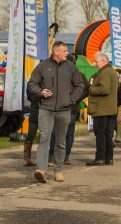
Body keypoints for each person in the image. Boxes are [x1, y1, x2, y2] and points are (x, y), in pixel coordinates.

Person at [27, 41, 85, 183]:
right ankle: (42, 170)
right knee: (45, 138)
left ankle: (58, 170)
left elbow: (80, 85)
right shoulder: (42, 66)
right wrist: (40, 92)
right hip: (46, 108)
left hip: (64, 110)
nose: (67, 53)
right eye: (64, 51)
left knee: (61, 141)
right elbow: (31, 84)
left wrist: (71, 100)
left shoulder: (71, 67)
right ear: (56, 52)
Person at [48, 70, 89, 165]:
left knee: (59, 133)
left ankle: (57, 156)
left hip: (70, 109)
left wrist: (75, 99)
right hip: (62, 108)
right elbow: (87, 90)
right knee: (64, 133)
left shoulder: (77, 74)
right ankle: (61, 156)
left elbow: (87, 89)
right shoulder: (77, 74)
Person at [86, 52, 120, 165]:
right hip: (111, 108)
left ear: (103, 61)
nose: (95, 64)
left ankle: (100, 158)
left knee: (100, 134)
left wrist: (90, 89)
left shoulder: (104, 73)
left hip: (102, 109)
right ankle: (108, 158)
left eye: (96, 61)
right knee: (107, 134)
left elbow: (104, 89)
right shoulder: (113, 72)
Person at [22, 94, 40, 166]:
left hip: (44, 113)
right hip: (34, 113)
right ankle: (27, 159)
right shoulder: (32, 84)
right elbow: (29, 97)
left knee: (44, 137)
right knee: (30, 136)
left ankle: (44, 159)